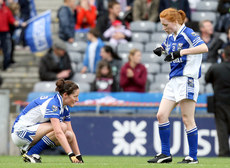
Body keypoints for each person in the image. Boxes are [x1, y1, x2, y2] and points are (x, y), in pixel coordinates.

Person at [147, 8, 208, 164]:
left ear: (175, 22)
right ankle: (165, 154)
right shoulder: (171, 36)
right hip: (173, 80)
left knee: (187, 119)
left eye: (166, 25)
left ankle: (193, 157)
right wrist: (160, 49)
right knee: (161, 115)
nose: (164, 28)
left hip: (187, 79)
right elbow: (166, 45)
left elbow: (203, 48)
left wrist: (181, 53)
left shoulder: (188, 33)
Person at [11, 79, 84, 163]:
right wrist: (71, 155)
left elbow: (71, 132)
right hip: (19, 133)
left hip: (31, 131)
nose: (77, 99)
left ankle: (31, 151)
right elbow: (58, 133)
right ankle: (32, 152)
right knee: (62, 127)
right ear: (65, 95)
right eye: (75, 96)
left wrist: (78, 156)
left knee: (69, 136)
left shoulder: (64, 107)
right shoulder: (53, 104)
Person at [205, 45, 230, 157]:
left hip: (220, 102)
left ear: (223, 55)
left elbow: (206, 78)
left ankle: (223, 153)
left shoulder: (216, 68)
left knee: (222, 129)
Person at [0, 0, 19, 70]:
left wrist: (15, 22)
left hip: (5, 32)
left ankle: (6, 65)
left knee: (7, 49)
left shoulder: (5, 9)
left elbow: (11, 18)